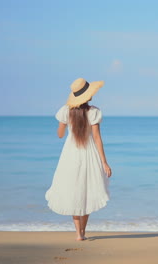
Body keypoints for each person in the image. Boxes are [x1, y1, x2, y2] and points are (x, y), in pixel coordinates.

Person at [45, 77, 112, 241]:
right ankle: (83, 231)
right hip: (89, 155)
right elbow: (97, 138)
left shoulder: (65, 111)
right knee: (87, 191)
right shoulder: (94, 112)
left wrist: (63, 124)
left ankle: (78, 234)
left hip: (71, 155)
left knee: (75, 192)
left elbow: (60, 135)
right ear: (88, 95)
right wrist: (104, 162)